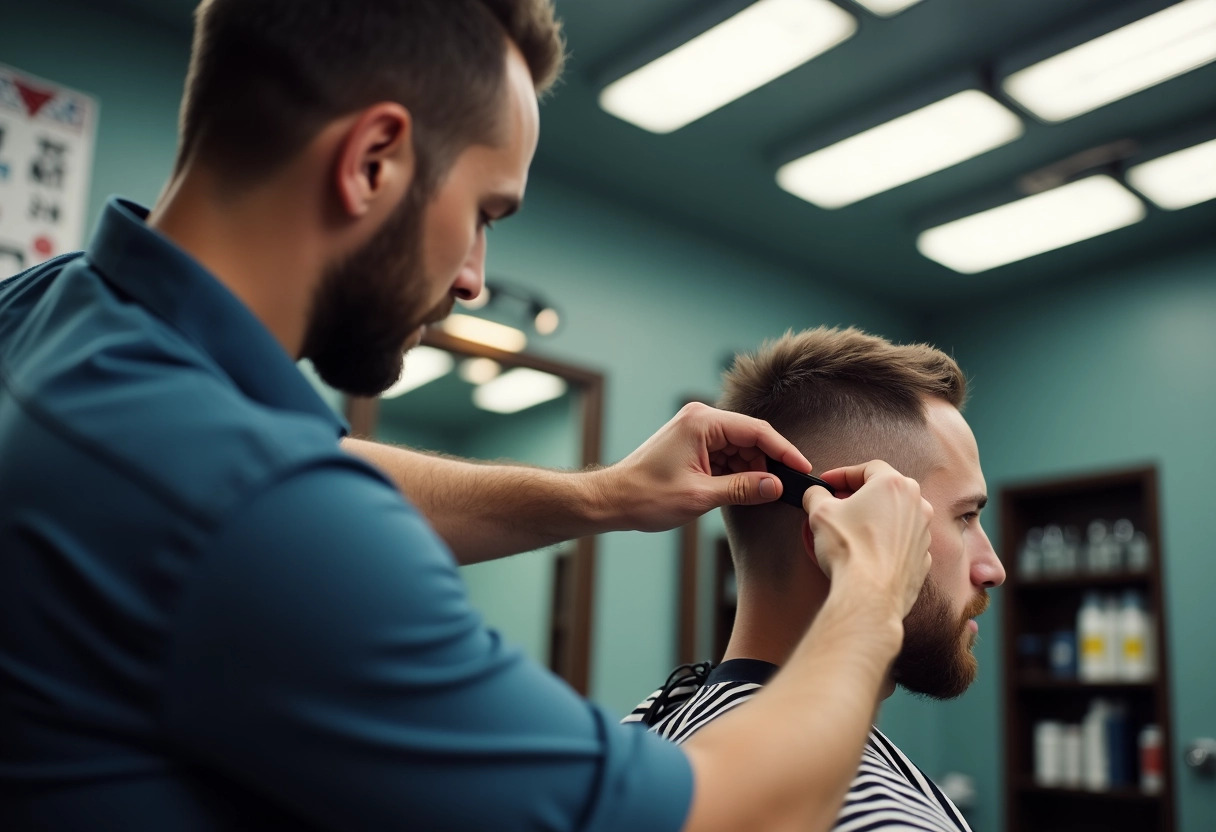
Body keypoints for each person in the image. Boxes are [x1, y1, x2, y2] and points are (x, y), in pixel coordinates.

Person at [0, 3, 933, 830]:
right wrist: (870, 597)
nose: (475, 277)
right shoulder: (251, 508)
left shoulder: (49, 312)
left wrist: (601, 496)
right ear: (373, 159)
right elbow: (730, 819)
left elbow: (295, 474)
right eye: (486, 211)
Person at [625, 327, 1007, 832]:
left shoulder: (656, 727)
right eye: (964, 517)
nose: (993, 568)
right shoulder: (873, 819)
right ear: (840, 525)